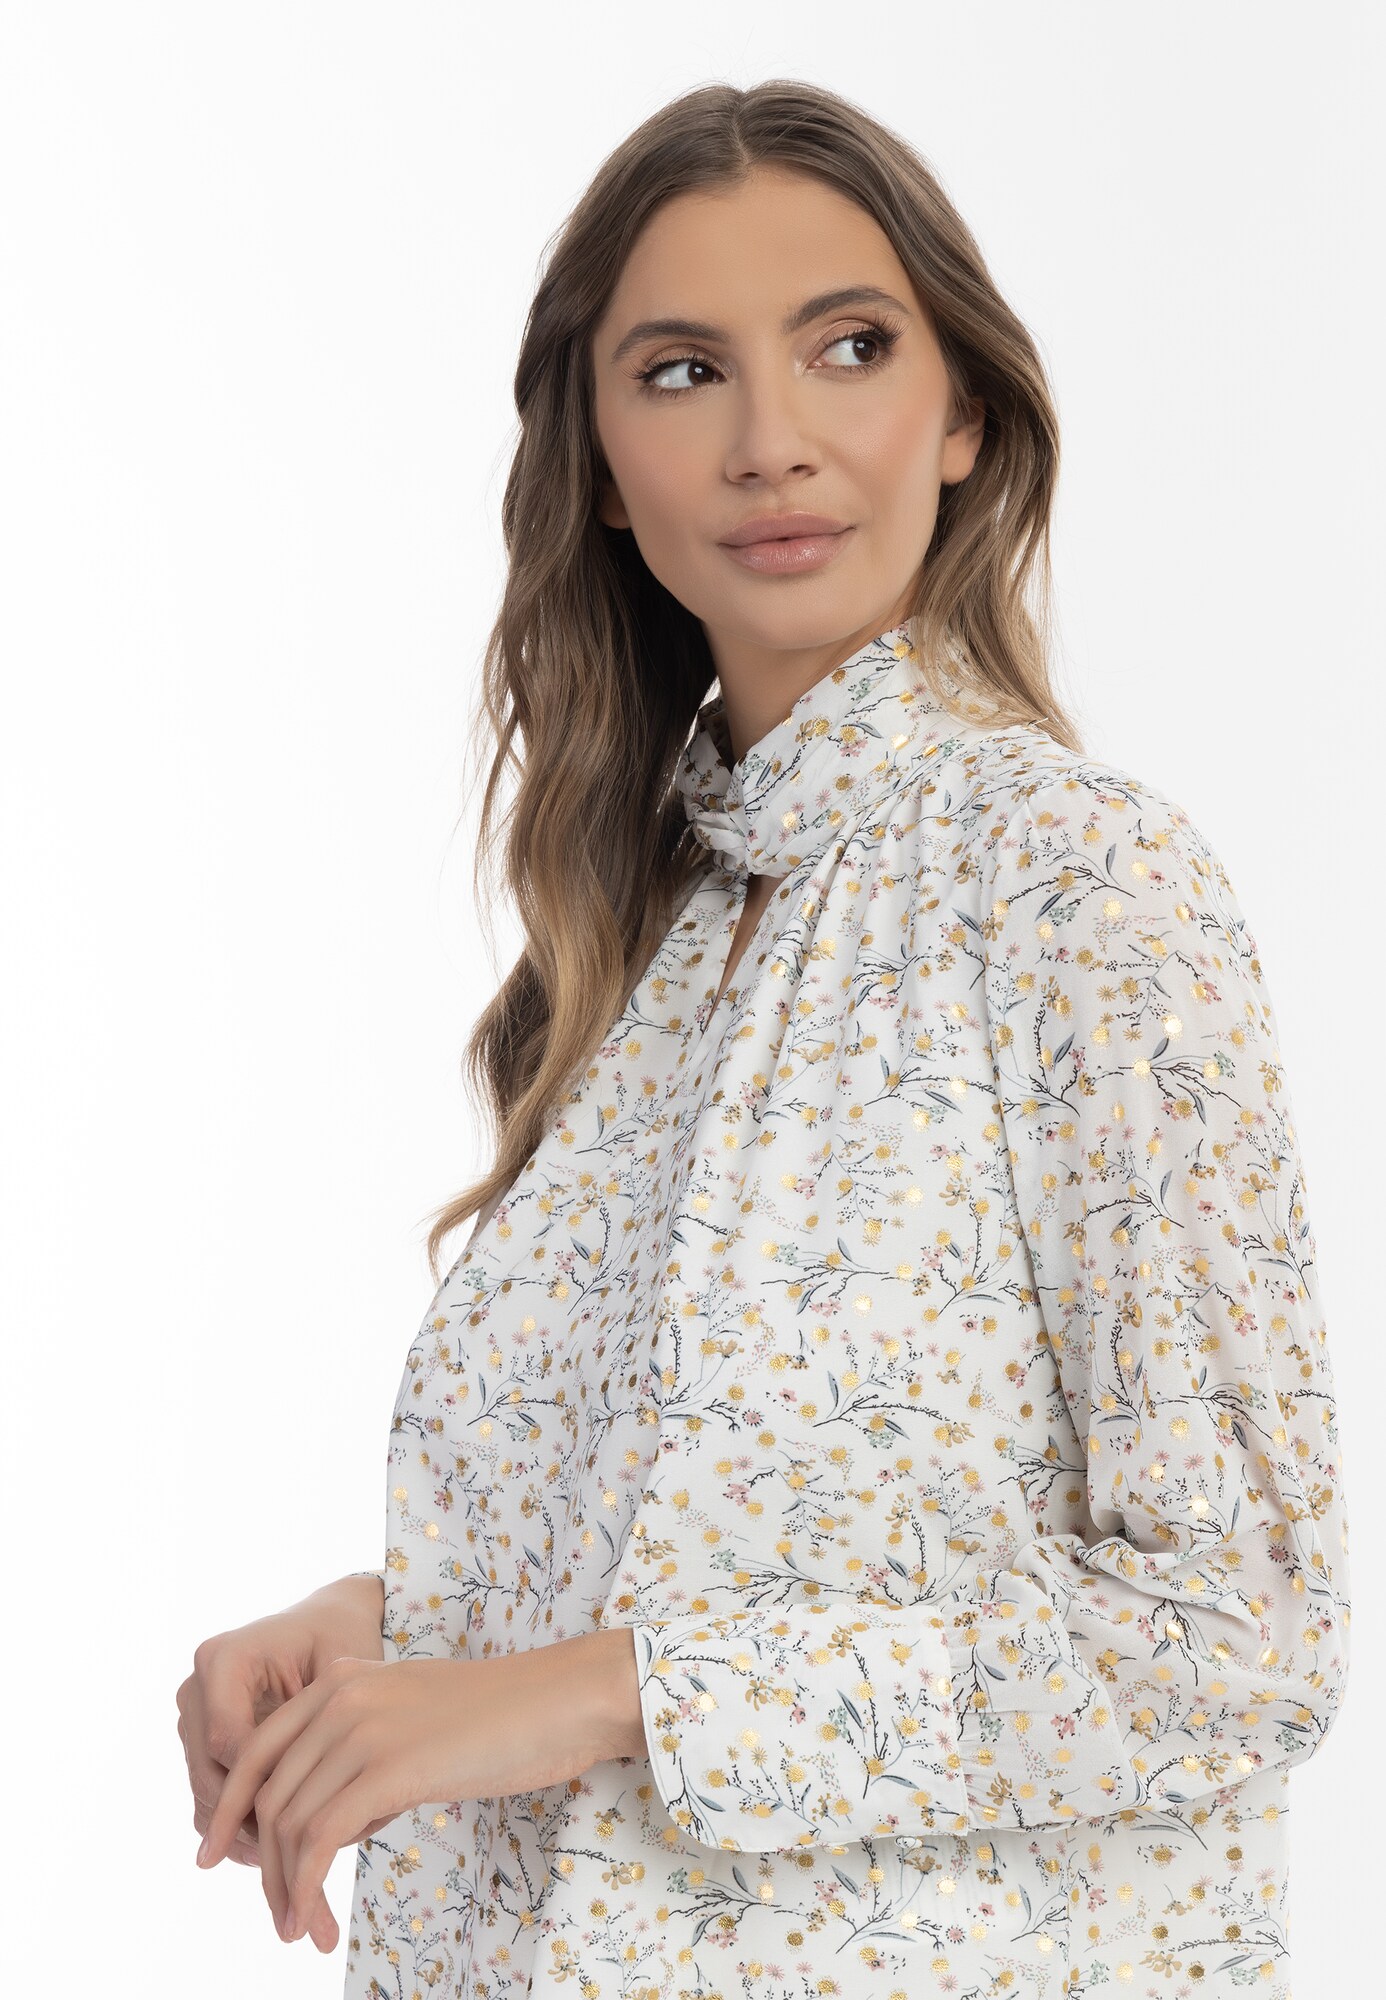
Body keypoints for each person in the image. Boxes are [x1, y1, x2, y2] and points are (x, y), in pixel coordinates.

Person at [180, 78, 1351, 2000]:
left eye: (848, 347)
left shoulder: (1076, 880)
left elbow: (1240, 1637)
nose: (771, 440)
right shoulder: (636, 936)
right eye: (680, 372)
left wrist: (593, 1694)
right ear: (599, 468)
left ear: (962, 417)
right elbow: (767, 1525)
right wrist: (395, 1634)